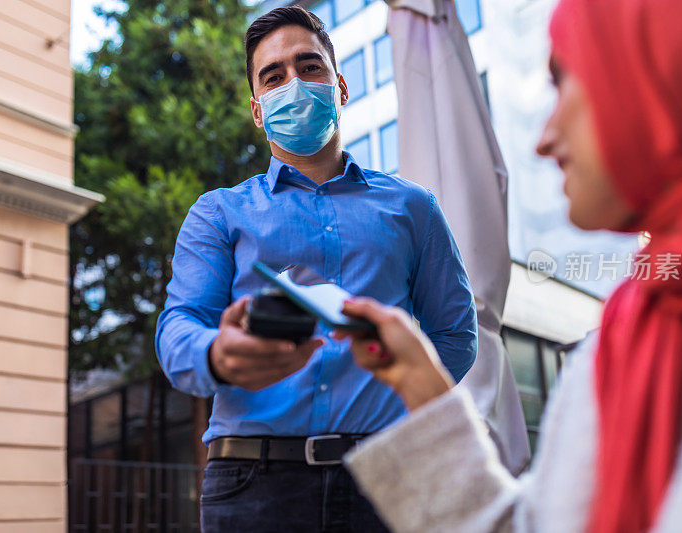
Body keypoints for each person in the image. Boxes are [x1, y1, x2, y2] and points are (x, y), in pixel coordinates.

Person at [336, 0, 682, 531]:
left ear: (656, 74)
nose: (544, 138)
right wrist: (423, 388)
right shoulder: (629, 330)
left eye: (565, 80)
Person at [154, 6, 481, 531]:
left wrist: (400, 396)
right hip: (252, 485)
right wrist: (215, 354)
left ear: (341, 86)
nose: (295, 84)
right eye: (274, 76)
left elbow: (456, 335)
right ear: (259, 111)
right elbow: (178, 329)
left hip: (388, 474)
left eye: (310, 67)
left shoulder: (414, 207)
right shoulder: (217, 212)